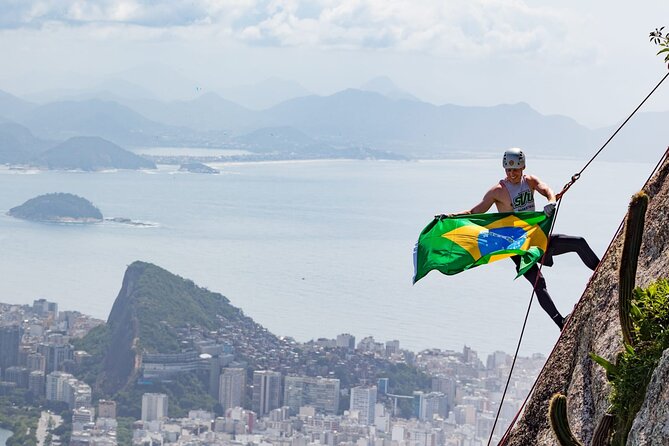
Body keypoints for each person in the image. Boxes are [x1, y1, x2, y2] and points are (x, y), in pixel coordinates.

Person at [438, 148, 600, 329]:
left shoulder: (529, 181)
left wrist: (551, 202)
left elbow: (547, 190)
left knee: (578, 243)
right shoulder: (497, 191)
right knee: (539, 283)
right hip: (516, 246)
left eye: (515, 169)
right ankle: (560, 322)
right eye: (508, 170)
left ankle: (601, 272)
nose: (512, 173)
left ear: (522, 167)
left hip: (536, 237)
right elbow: (474, 212)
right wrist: (451, 217)